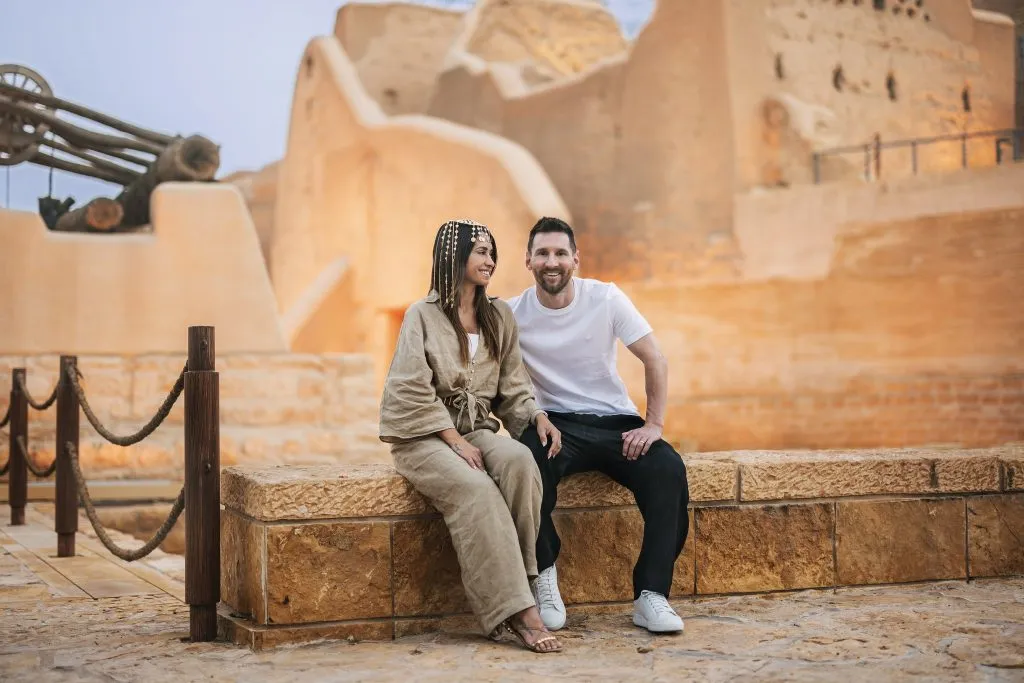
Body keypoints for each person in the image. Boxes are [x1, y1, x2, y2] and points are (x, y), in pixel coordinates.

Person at [379, 218, 565, 654]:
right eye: (480, 251)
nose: (490, 260)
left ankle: (525, 586)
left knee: (521, 462)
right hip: (424, 438)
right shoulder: (420, 315)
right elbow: (408, 388)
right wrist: (454, 441)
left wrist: (535, 416)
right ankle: (518, 613)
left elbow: (514, 388)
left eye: (492, 252)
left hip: (477, 430)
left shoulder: (498, 315)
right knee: (477, 490)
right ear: (454, 255)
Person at [507, 216, 690, 635]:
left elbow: (654, 358)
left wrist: (654, 424)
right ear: (528, 261)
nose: (551, 262)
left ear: (575, 258)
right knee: (523, 464)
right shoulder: (512, 314)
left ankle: (652, 596)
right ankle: (545, 574)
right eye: (542, 254)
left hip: (615, 422)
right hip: (554, 426)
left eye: (559, 253)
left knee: (668, 470)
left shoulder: (605, 298)